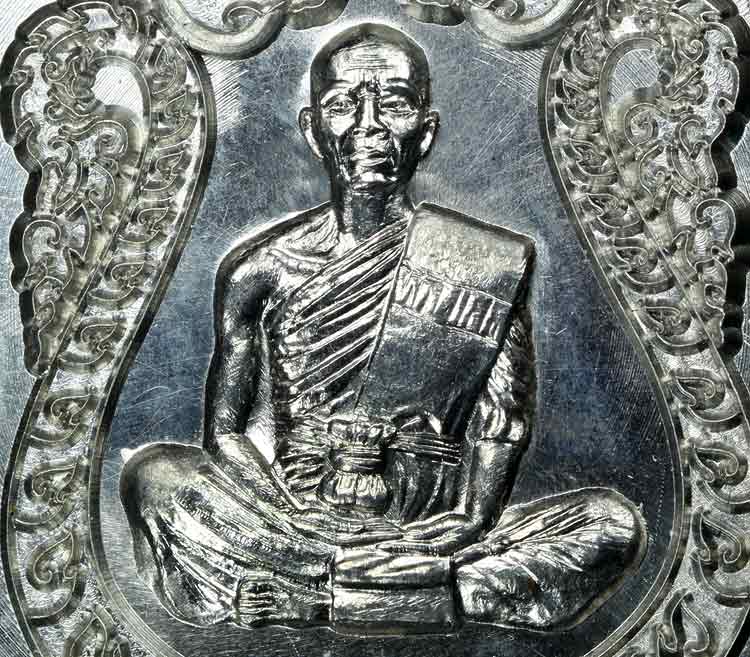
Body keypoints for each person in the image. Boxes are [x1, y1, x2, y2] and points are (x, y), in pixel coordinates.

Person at [120, 23, 645, 633]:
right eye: (343, 105)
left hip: (432, 529)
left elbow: (503, 419)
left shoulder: (484, 262)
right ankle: (412, 593)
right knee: (156, 478)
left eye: (393, 104)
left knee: (610, 525)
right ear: (313, 130)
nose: (368, 127)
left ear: (426, 131)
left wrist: (473, 519)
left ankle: (321, 600)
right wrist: (289, 513)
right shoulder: (257, 271)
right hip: (296, 523)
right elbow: (227, 433)